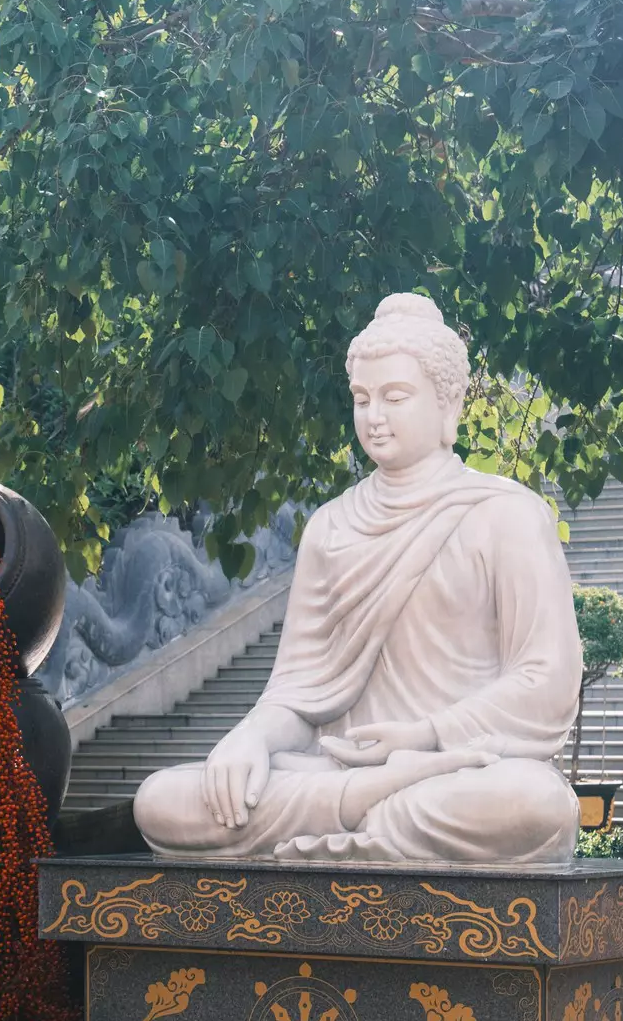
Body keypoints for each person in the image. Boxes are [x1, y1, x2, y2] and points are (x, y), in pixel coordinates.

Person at [132, 292, 583, 865]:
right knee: (161, 801)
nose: (374, 416)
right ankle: (368, 810)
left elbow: (548, 679)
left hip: (455, 768)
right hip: (335, 768)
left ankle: (364, 811)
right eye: (362, 398)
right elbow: (299, 696)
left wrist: (425, 736)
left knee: (533, 803)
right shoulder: (331, 527)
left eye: (396, 397)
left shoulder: (505, 514)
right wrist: (251, 737)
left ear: (448, 406)